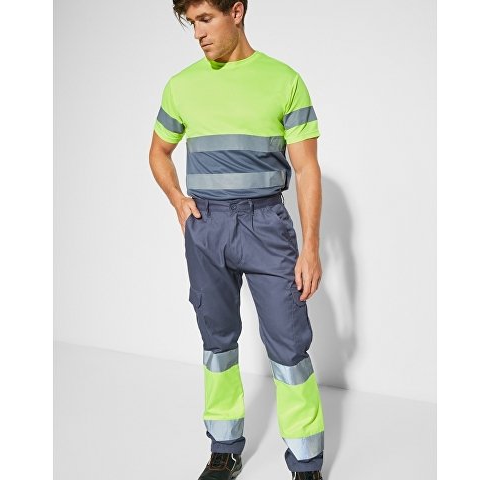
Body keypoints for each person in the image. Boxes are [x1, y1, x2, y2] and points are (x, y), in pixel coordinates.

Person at [149, 1, 325, 479]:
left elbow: (307, 168)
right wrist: (178, 201)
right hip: (206, 227)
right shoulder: (181, 85)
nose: (198, 34)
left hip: (266, 225)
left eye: (206, 19)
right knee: (217, 341)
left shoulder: (284, 80)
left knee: (289, 344)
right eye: (192, 23)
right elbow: (159, 152)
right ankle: (224, 448)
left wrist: (310, 247)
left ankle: (306, 461)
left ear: (237, 12)